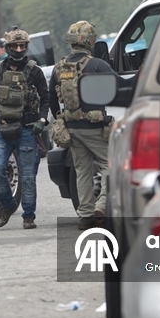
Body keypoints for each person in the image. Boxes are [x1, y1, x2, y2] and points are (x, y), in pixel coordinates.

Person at [0, 28, 49, 229]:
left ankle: (28, 216)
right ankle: (6, 206)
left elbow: (46, 98)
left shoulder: (35, 71)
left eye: (22, 45)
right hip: (3, 130)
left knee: (28, 176)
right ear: (7, 48)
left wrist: (41, 120)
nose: (18, 49)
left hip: (27, 130)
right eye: (15, 46)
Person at [50, 21, 118, 231]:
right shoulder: (97, 65)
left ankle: (85, 216)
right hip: (95, 128)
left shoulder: (59, 68)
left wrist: (63, 120)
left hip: (72, 128)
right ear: (89, 41)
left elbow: (53, 100)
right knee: (110, 165)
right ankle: (102, 205)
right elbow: (118, 88)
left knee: (82, 170)